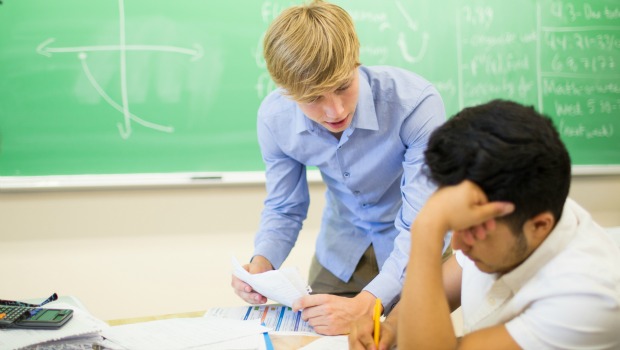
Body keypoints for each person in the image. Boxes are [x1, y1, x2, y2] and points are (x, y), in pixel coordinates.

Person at [230, 0, 451, 335]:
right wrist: (262, 265)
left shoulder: (415, 104)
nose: (334, 111)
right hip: (340, 253)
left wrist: (367, 304)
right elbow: (285, 208)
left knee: (409, 340)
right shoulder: (275, 118)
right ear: (287, 92)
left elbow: (422, 224)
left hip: (415, 248)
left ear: (356, 59)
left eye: (343, 86)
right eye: (313, 98)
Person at [349, 99, 620, 349]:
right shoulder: (508, 214)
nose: (456, 243)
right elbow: (434, 298)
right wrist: (394, 329)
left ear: (539, 226)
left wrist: (427, 228)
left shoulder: (589, 295)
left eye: (471, 229)